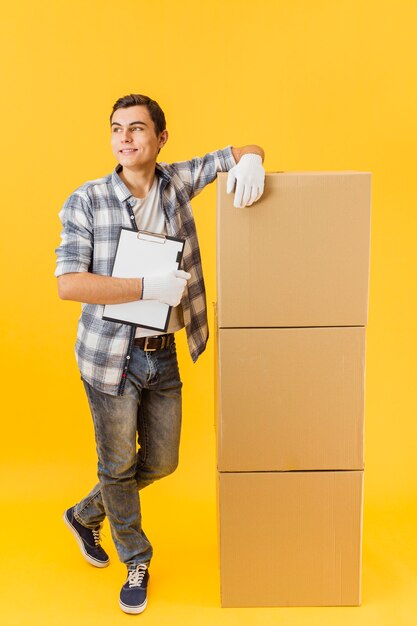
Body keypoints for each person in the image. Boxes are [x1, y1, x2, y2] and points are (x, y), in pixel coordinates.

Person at [55, 93, 265, 614]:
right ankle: (136, 559)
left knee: (162, 461)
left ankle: (86, 512)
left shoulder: (176, 182)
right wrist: (145, 286)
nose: (125, 138)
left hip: (162, 351)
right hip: (109, 356)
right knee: (119, 463)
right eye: (116, 129)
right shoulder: (86, 200)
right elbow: (69, 284)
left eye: (137, 128)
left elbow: (240, 150)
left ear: (161, 138)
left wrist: (254, 158)